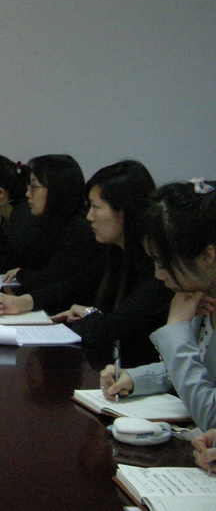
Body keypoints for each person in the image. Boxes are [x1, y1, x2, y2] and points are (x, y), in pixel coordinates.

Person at [0, 160, 170, 367]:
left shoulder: (158, 267)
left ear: (125, 210)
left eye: (96, 207)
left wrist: (87, 316)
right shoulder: (116, 251)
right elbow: (76, 285)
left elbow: (109, 330)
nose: (89, 216)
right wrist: (21, 302)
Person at [101, 180, 216, 428]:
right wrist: (136, 378)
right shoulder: (199, 293)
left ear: (208, 256)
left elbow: (212, 417)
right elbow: (196, 368)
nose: (158, 275)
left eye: (163, 264)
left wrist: (176, 331)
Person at [1, 154, 97, 290]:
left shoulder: (78, 231)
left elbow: (49, 281)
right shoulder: (50, 222)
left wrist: (21, 274)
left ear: (57, 189)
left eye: (34, 186)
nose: (28, 194)